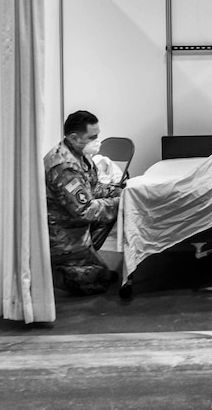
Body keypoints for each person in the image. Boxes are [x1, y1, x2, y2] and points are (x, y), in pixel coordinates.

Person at [44, 110, 123, 295]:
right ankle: (58, 269)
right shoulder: (63, 166)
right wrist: (120, 202)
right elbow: (85, 210)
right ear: (73, 137)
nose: (97, 141)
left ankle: (83, 258)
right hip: (61, 232)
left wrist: (121, 192)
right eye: (92, 137)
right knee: (97, 284)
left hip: (75, 224)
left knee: (103, 276)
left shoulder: (82, 156)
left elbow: (92, 189)